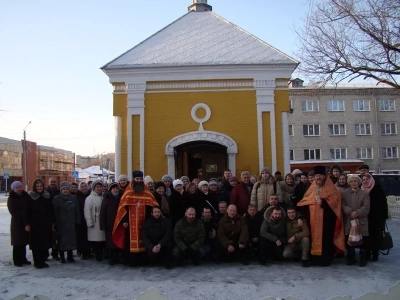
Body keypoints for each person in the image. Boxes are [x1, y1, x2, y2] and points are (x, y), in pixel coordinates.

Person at [297, 166, 346, 266]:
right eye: (316, 175)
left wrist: (323, 202)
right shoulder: (312, 188)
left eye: (320, 175)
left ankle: (326, 259)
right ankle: (314, 259)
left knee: (326, 240)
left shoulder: (331, 188)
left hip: (327, 221)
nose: (318, 177)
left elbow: (336, 202)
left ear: (325, 176)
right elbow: (304, 201)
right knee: (312, 239)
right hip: (313, 220)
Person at [112, 170, 158, 267]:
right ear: (133, 179)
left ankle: (143, 261)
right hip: (130, 222)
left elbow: (153, 205)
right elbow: (122, 207)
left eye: (141, 179)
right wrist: (124, 220)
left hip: (144, 221)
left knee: (144, 239)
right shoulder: (128, 192)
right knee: (129, 241)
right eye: (137, 179)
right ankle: (131, 262)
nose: (139, 180)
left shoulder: (146, 191)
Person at [341, 175, 370, 267]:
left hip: (361, 220)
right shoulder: (345, 194)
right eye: (351, 181)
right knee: (350, 241)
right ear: (349, 183)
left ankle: (363, 259)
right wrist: (350, 212)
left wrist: (357, 213)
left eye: (355, 181)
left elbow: (366, 207)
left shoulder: (364, 194)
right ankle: (351, 258)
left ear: (358, 182)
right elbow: (342, 205)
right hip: (349, 220)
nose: (353, 183)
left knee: (363, 241)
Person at [24, 178, 53, 269]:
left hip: (45, 223)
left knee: (44, 242)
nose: (39, 188)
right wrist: (27, 224)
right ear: (34, 187)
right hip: (34, 223)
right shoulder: (30, 196)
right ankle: (37, 262)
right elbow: (26, 211)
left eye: (41, 186)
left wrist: (52, 221)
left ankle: (42, 260)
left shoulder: (47, 195)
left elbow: (51, 209)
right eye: (37, 186)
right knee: (36, 244)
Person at [361, 173, 388, 262]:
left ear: (371, 180)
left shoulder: (377, 189)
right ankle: (367, 254)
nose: (365, 181)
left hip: (376, 217)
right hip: (365, 217)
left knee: (375, 236)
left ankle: (375, 254)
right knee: (366, 237)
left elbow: (383, 204)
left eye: (367, 179)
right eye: (363, 180)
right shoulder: (362, 190)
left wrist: (384, 217)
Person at [53, 181, 81, 264]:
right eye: (64, 189)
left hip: (71, 223)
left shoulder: (73, 198)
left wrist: (77, 222)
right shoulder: (56, 199)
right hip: (61, 224)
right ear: (61, 190)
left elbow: (77, 211)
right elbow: (54, 212)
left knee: (71, 240)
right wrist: (55, 223)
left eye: (67, 189)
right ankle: (62, 256)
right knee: (61, 241)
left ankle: (70, 256)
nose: (65, 191)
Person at [7, 181, 30, 267]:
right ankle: (17, 260)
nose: (19, 189)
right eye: (17, 187)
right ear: (14, 189)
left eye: (20, 187)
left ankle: (23, 258)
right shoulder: (11, 198)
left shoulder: (25, 196)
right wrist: (23, 213)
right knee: (17, 242)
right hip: (17, 223)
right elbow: (13, 211)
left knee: (23, 242)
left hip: (24, 222)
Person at [100, 182, 122, 265]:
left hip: (118, 223)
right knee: (110, 241)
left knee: (117, 240)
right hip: (109, 223)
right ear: (110, 190)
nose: (115, 190)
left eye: (116, 188)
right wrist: (102, 224)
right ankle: (111, 258)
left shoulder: (121, 198)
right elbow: (102, 212)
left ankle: (117, 257)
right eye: (113, 189)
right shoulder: (107, 198)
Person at [84, 180, 106, 262]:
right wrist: (89, 222)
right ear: (94, 188)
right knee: (96, 240)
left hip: (102, 221)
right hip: (95, 222)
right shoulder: (89, 198)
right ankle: (97, 255)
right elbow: (87, 211)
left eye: (100, 187)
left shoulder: (104, 197)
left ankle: (102, 254)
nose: (99, 188)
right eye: (97, 187)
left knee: (102, 239)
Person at [76, 182, 91, 260]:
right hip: (80, 219)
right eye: (82, 186)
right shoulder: (76, 196)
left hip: (89, 218)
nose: (84, 188)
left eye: (85, 186)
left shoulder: (90, 195)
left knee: (89, 236)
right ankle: (82, 252)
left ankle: (88, 251)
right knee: (81, 237)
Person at [46, 176, 60, 260]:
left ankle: (55, 253)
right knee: (46, 237)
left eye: (54, 182)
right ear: (49, 182)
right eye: (51, 182)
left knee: (56, 237)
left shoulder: (59, 191)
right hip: (47, 217)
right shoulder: (45, 191)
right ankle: (45, 254)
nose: (53, 183)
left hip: (57, 217)